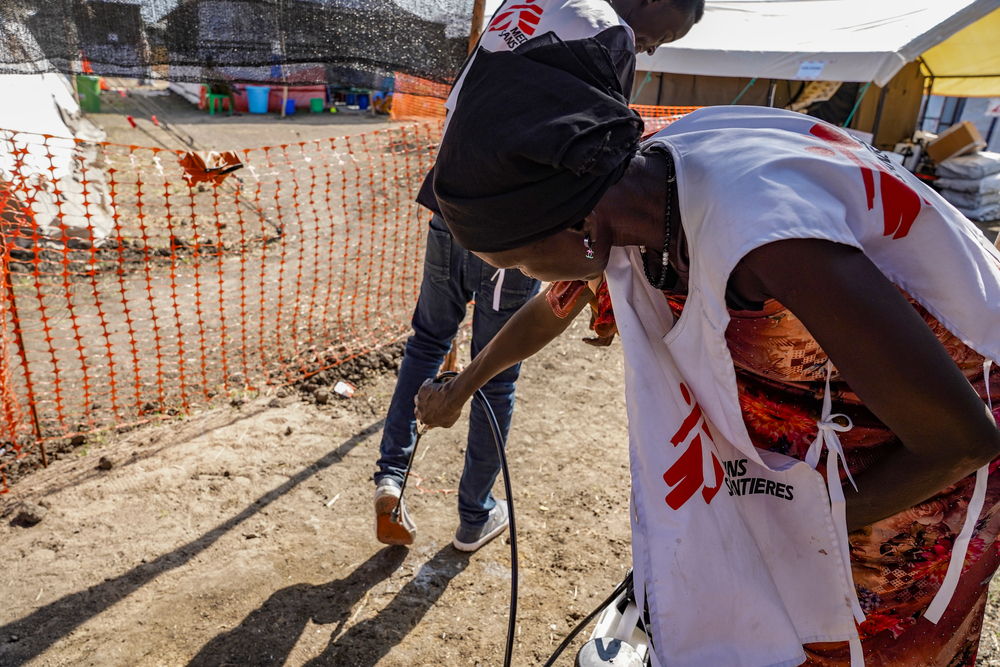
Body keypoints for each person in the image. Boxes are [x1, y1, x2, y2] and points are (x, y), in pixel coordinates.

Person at [418, 34, 1000, 666]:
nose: (529, 276)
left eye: (515, 262)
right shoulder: (623, 193)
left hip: (926, 472)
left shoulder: (771, 240)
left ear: (577, 229)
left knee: (866, 643)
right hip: (820, 458)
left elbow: (961, 441)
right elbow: (555, 305)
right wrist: (464, 385)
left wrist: (791, 527)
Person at [374, 0, 707, 552]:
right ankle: (475, 514)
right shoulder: (609, 32)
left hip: (450, 197)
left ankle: (390, 477)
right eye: (662, 36)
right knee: (495, 371)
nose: (651, 49)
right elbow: (594, 173)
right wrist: (594, 276)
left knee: (429, 339)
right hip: (512, 214)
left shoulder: (531, 3)